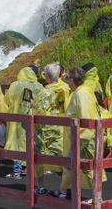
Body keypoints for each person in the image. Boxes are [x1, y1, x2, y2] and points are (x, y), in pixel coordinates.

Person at [56, 67, 105, 199]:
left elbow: (84, 117)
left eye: (67, 77)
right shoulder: (82, 92)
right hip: (80, 135)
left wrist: (81, 136)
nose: (65, 79)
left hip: (83, 136)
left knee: (87, 168)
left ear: (72, 80)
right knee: (70, 164)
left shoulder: (80, 94)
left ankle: (96, 197)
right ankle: (63, 190)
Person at [33, 64, 69, 194]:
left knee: (38, 157)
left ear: (47, 76)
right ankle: (65, 187)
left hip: (46, 130)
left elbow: (39, 111)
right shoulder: (65, 89)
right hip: (63, 128)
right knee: (64, 157)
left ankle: (41, 186)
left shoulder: (46, 92)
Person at [4, 65, 44, 178]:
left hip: (18, 118)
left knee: (17, 142)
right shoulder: (39, 86)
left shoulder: (17, 85)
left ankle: (16, 171)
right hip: (33, 118)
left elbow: (7, 99)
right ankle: (29, 169)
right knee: (31, 142)